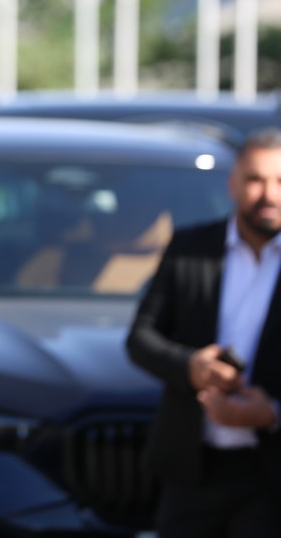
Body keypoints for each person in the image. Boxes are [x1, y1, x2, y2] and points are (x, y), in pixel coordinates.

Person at [127, 126, 281, 537]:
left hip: (271, 477)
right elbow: (140, 338)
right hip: (193, 470)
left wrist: (272, 412)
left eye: (280, 181)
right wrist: (190, 366)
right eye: (255, 179)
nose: (268, 194)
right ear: (234, 184)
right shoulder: (191, 248)